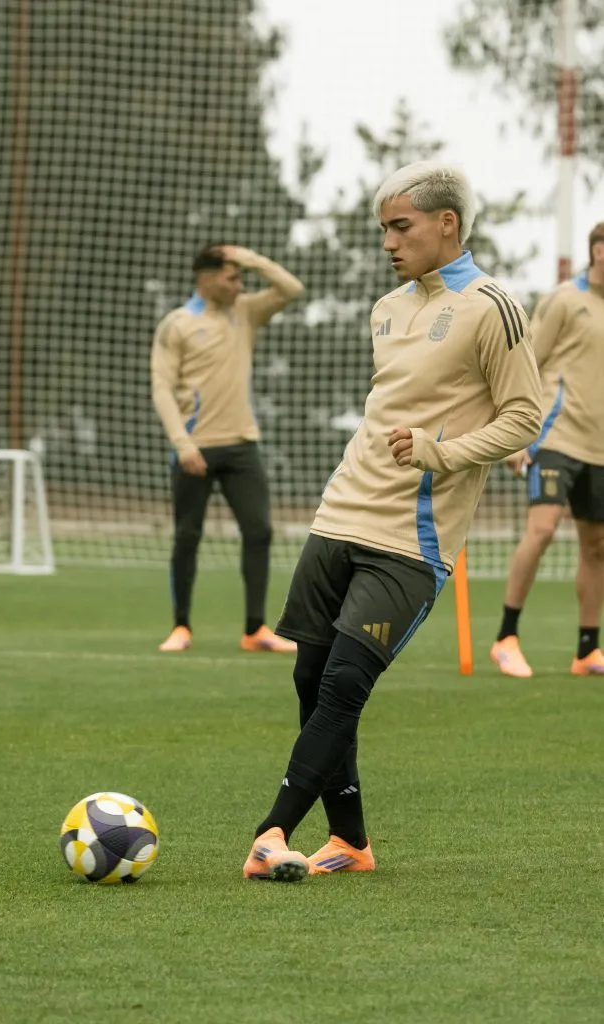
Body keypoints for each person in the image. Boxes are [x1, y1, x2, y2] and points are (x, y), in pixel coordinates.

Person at [241, 160, 542, 883]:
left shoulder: (493, 306)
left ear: (447, 222)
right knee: (311, 681)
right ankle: (350, 843)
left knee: (345, 684)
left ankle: (271, 833)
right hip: (339, 512)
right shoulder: (384, 308)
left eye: (400, 227)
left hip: (410, 541)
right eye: (383, 229)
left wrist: (443, 452)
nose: (387, 242)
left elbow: (524, 416)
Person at [151, 244, 305, 653]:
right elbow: (162, 388)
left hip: (242, 445)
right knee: (187, 536)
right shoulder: (178, 324)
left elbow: (292, 289)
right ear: (207, 278)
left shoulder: (245, 312)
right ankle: (181, 627)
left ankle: (255, 629)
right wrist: (182, 444)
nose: (240, 285)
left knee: (259, 531)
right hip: (195, 448)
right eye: (232, 277)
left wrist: (250, 259)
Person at [491, 223, 604, 678]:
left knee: (597, 546)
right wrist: (517, 434)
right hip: (554, 436)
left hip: (599, 447)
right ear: (597, 252)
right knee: (542, 529)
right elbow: (526, 364)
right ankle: (506, 638)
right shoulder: (564, 300)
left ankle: (587, 651)